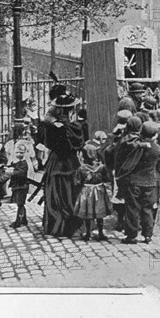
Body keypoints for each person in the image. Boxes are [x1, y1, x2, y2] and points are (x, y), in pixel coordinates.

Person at [116, 120, 160, 244]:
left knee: (132, 209)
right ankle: (148, 235)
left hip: (133, 182)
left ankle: (131, 236)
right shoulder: (156, 148)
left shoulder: (136, 145)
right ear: (155, 135)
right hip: (150, 183)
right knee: (147, 209)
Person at [42, 93, 85, 238]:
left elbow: (46, 141)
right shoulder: (74, 127)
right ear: (72, 109)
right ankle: (69, 226)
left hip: (55, 162)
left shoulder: (51, 125)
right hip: (70, 162)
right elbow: (79, 144)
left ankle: (54, 226)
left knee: (55, 193)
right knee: (71, 192)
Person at [73, 143, 113, 241]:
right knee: (100, 214)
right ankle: (100, 233)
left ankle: (88, 233)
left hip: (87, 191)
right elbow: (107, 178)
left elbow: (77, 182)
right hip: (99, 191)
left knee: (87, 213)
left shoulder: (81, 168)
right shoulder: (102, 167)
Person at [8, 143, 30, 229]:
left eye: (21, 153)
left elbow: (21, 173)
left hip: (22, 186)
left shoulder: (24, 163)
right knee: (20, 204)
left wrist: (12, 172)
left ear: (25, 153)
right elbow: (12, 167)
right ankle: (24, 219)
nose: (19, 154)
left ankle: (18, 221)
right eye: (17, 152)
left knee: (20, 204)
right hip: (17, 185)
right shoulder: (16, 162)